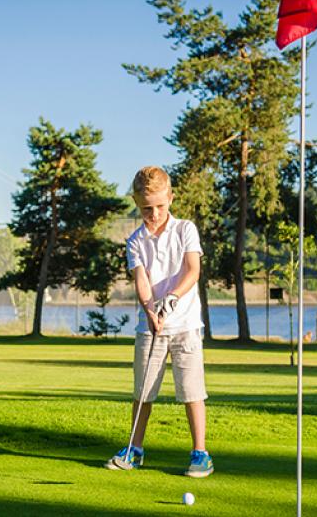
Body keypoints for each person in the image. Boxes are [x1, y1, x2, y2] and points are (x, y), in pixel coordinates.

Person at [105, 166, 213, 478]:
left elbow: (192, 270)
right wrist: (150, 308)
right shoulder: (136, 240)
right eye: (146, 208)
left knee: (192, 391)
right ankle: (135, 450)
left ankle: (200, 453)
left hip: (186, 325)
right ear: (137, 204)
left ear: (171, 198)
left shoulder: (185, 229)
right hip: (150, 326)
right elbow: (141, 279)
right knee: (143, 391)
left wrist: (173, 297)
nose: (153, 214)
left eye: (160, 206)